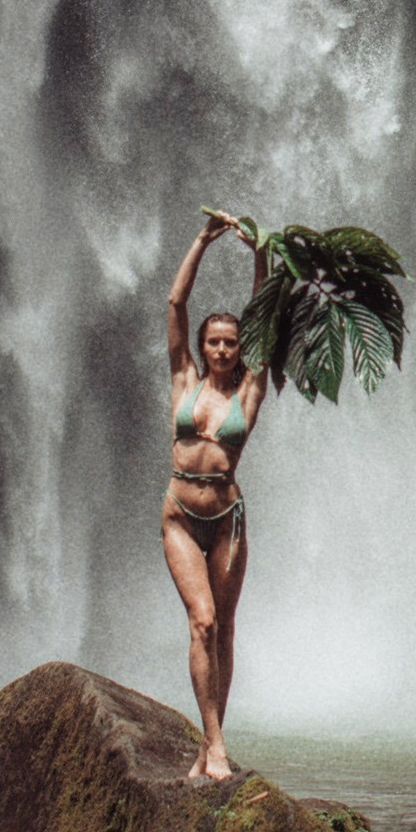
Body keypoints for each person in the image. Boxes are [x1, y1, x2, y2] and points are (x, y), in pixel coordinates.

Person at [163, 210, 268, 780]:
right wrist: (202, 239)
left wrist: (260, 255)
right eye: (216, 342)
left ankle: (209, 745)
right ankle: (216, 745)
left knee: (223, 627)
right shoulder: (184, 379)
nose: (224, 349)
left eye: (231, 343)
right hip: (179, 513)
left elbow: (266, 321)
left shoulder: (250, 390)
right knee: (201, 620)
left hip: (227, 519)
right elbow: (175, 306)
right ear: (202, 347)